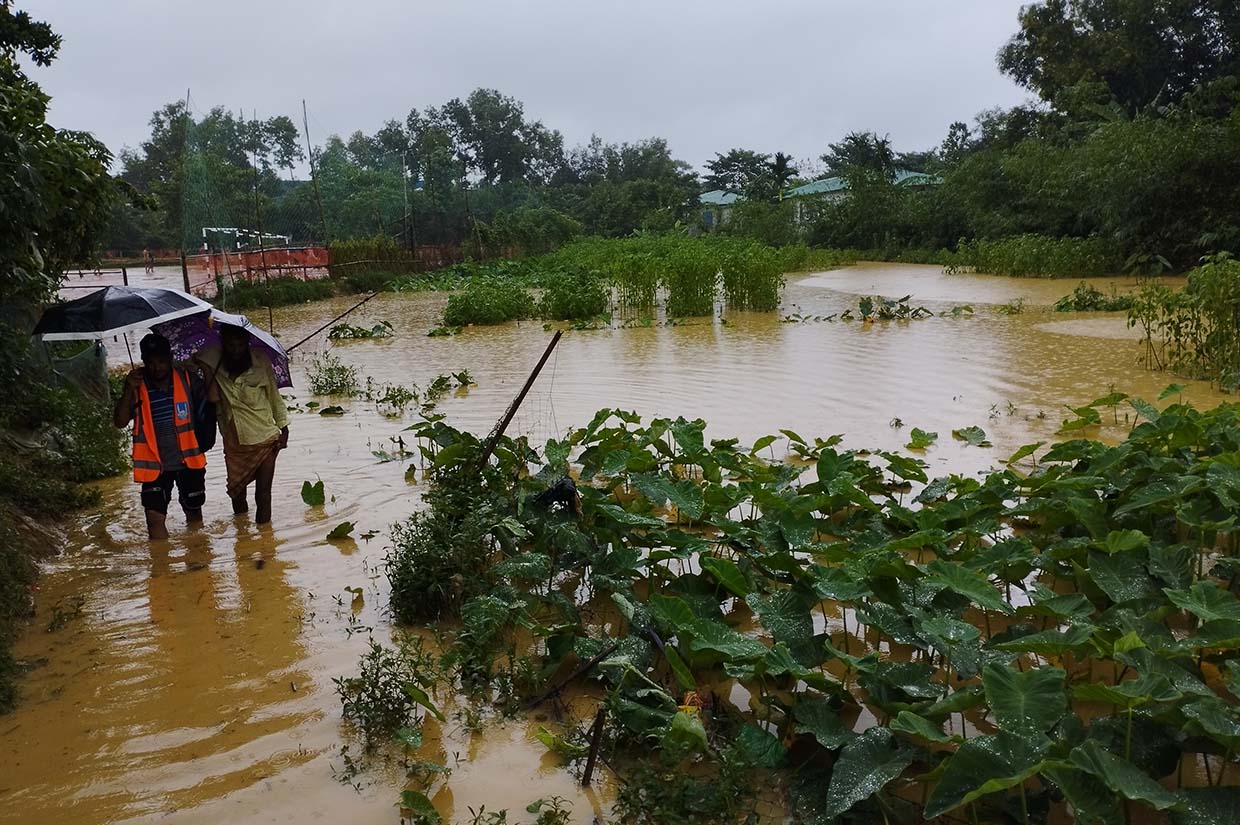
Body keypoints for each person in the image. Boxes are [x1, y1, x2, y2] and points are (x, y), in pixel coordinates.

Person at [113, 333, 207, 540]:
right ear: (144, 362)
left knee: (194, 516)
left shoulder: (188, 379)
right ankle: (161, 569)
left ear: (170, 358)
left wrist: (205, 368)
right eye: (151, 363)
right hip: (154, 465)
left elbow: (211, 403)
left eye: (161, 362)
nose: (157, 368)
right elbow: (120, 422)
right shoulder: (135, 385)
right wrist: (128, 389)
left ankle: (198, 564)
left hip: (188, 461)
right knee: (154, 519)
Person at [196, 324, 288, 525]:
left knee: (263, 494)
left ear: (247, 344)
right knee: (237, 494)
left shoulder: (260, 361)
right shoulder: (211, 359)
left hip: (264, 437)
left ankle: (265, 543)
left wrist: (284, 430)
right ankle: (242, 535)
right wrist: (205, 368)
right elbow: (185, 367)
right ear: (223, 344)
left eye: (240, 344)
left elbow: (274, 397)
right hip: (234, 442)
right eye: (230, 344)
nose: (235, 349)